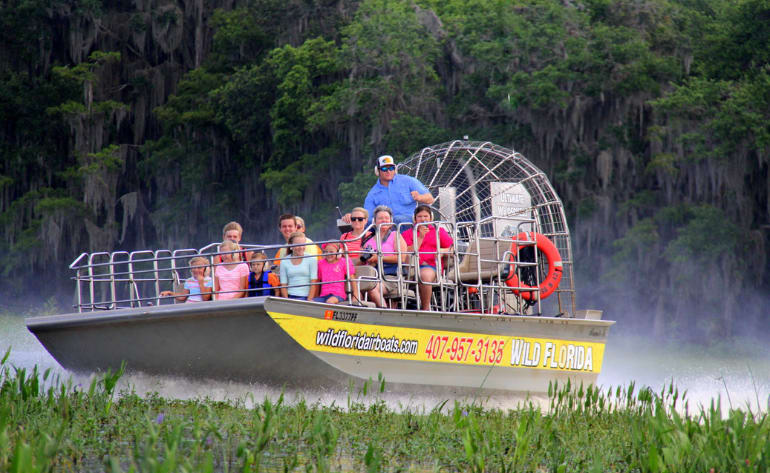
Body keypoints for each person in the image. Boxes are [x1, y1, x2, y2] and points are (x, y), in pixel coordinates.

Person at [353, 155, 434, 226]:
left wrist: (420, 197)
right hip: (386, 227)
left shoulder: (408, 181)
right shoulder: (372, 194)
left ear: (395, 169)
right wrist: (352, 216)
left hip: (410, 225)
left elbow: (430, 199)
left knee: (398, 219)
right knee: (366, 223)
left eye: (391, 168)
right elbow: (367, 217)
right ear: (377, 171)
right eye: (384, 168)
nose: (388, 171)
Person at [401, 205, 454, 310]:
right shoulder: (407, 233)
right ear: (415, 219)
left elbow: (453, 250)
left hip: (431, 266)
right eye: (420, 216)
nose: (423, 219)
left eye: (426, 216)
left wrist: (442, 251)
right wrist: (420, 237)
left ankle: (425, 309)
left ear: (431, 218)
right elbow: (406, 251)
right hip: (410, 267)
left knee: (424, 275)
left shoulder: (439, 231)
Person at [362, 206, 408, 308]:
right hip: (373, 274)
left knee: (372, 288)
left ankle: (385, 311)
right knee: (357, 285)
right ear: (374, 221)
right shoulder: (368, 240)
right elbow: (365, 261)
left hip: (391, 276)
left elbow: (402, 258)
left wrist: (379, 258)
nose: (384, 220)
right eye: (380, 218)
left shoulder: (396, 235)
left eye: (386, 218)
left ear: (391, 221)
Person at [279, 232, 319, 301]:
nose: (301, 247)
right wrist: (287, 300)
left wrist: (309, 300)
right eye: (298, 245)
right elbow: (283, 285)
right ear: (291, 246)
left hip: (306, 297)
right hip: (290, 296)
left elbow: (313, 283)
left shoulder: (311, 259)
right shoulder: (284, 261)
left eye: (303, 244)